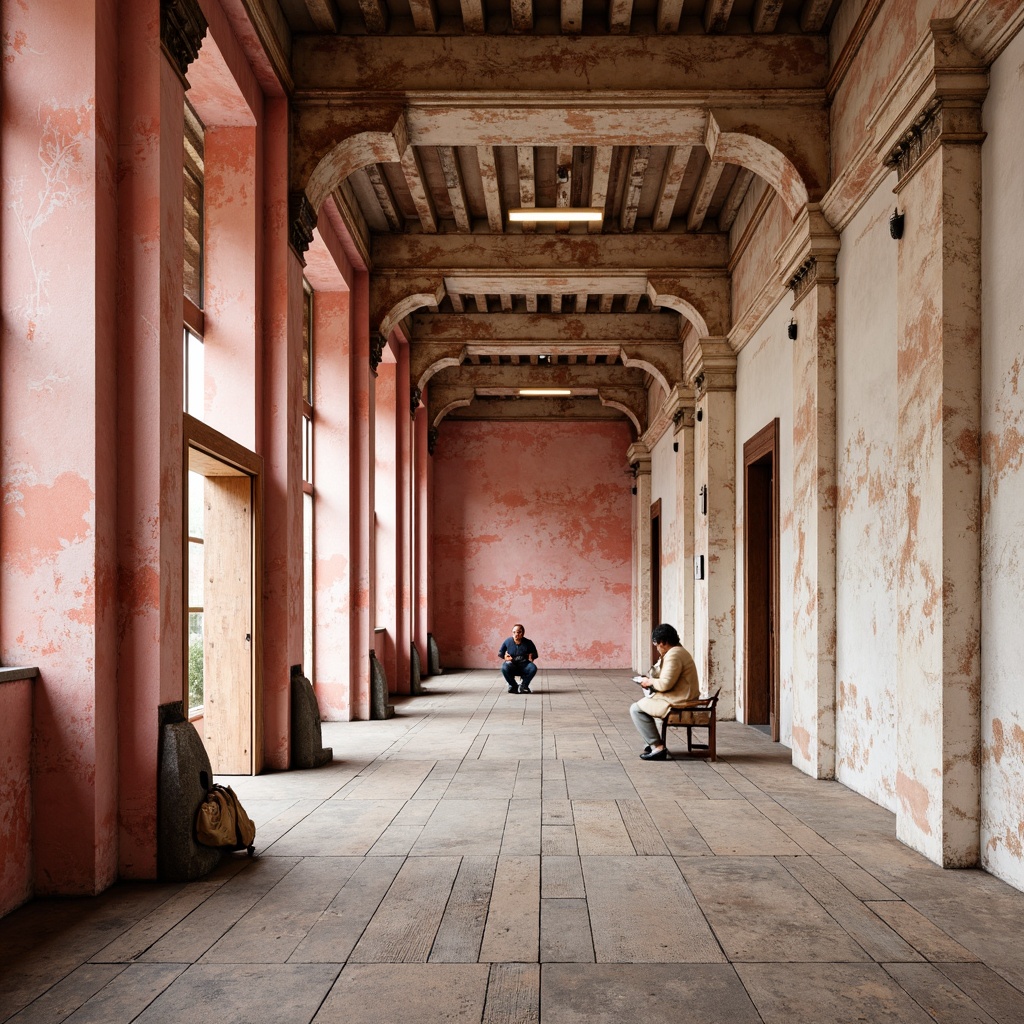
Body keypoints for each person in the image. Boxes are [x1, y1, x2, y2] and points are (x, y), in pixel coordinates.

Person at [630, 622, 700, 760]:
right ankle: (651, 742)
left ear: (662, 642)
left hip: (680, 700)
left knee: (635, 709)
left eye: (656, 644)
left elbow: (665, 684)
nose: (656, 648)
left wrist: (649, 682)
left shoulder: (674, 655)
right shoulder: (677, 652)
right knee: (645, 705)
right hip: (681, 696)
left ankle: (657, 747)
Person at [498, 623, 539, 693]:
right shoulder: (508, 641)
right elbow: (500, 653)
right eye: (514, 632)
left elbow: (535, 654)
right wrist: (505, 657)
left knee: (533, 668)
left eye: (519, 632)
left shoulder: (528, 642)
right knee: (504, 667)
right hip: (512, 665)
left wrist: (531, 656)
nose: (516, 634)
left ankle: (524, 685)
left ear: (523, 633)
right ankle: (513, 686)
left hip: (524, 665)